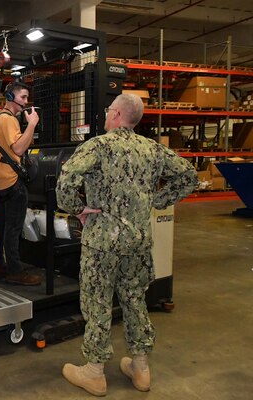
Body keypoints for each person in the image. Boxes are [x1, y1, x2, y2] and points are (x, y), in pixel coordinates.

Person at [56, 93, 198, 396]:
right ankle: (141, 368)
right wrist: (155, 201)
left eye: (109, 111)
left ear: (117, 114)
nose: (107, 115)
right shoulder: (153, 149)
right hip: (138, 243)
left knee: (97, 303)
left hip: (102, 244)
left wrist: (76, 208)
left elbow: (67, 177)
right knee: (135, 299)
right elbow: (188, 177)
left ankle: (94, 372)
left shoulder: (99, 145)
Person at [0, 81, 42, 286]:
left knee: (0, 226)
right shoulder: (9, 120)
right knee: (13, 228)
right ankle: (15, 270)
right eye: (23, 97)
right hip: (12, 181)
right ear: (10, 97)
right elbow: (18, 149)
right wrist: (33, 124)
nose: (26, 102)